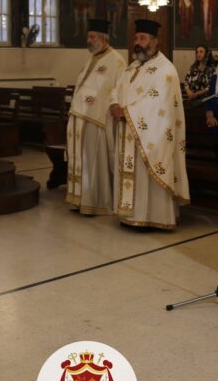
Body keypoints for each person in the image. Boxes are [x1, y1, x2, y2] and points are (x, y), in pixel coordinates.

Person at [108, 19, 190, 229]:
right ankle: (129, 215)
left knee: (147, 175)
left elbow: (157, 100)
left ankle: (153, 217)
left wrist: (126, 111)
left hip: (152, 134)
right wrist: (114, 103)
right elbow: (117, 88)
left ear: (155, 41)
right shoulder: (133, 67)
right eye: (136, 38)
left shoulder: (166, 69)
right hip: (128, 130)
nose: (138, 43)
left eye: (143, 38)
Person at [66, 19, 126, 215]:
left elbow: (118, 90)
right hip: (81, 116)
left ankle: (95, 201)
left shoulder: (116, 61)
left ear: (103, 38)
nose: (89, 40)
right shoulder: (92, 59)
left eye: (92, 37)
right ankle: (79, 199)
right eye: (88, 37)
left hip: (98, 119)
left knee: (93, 161)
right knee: (81, 160)